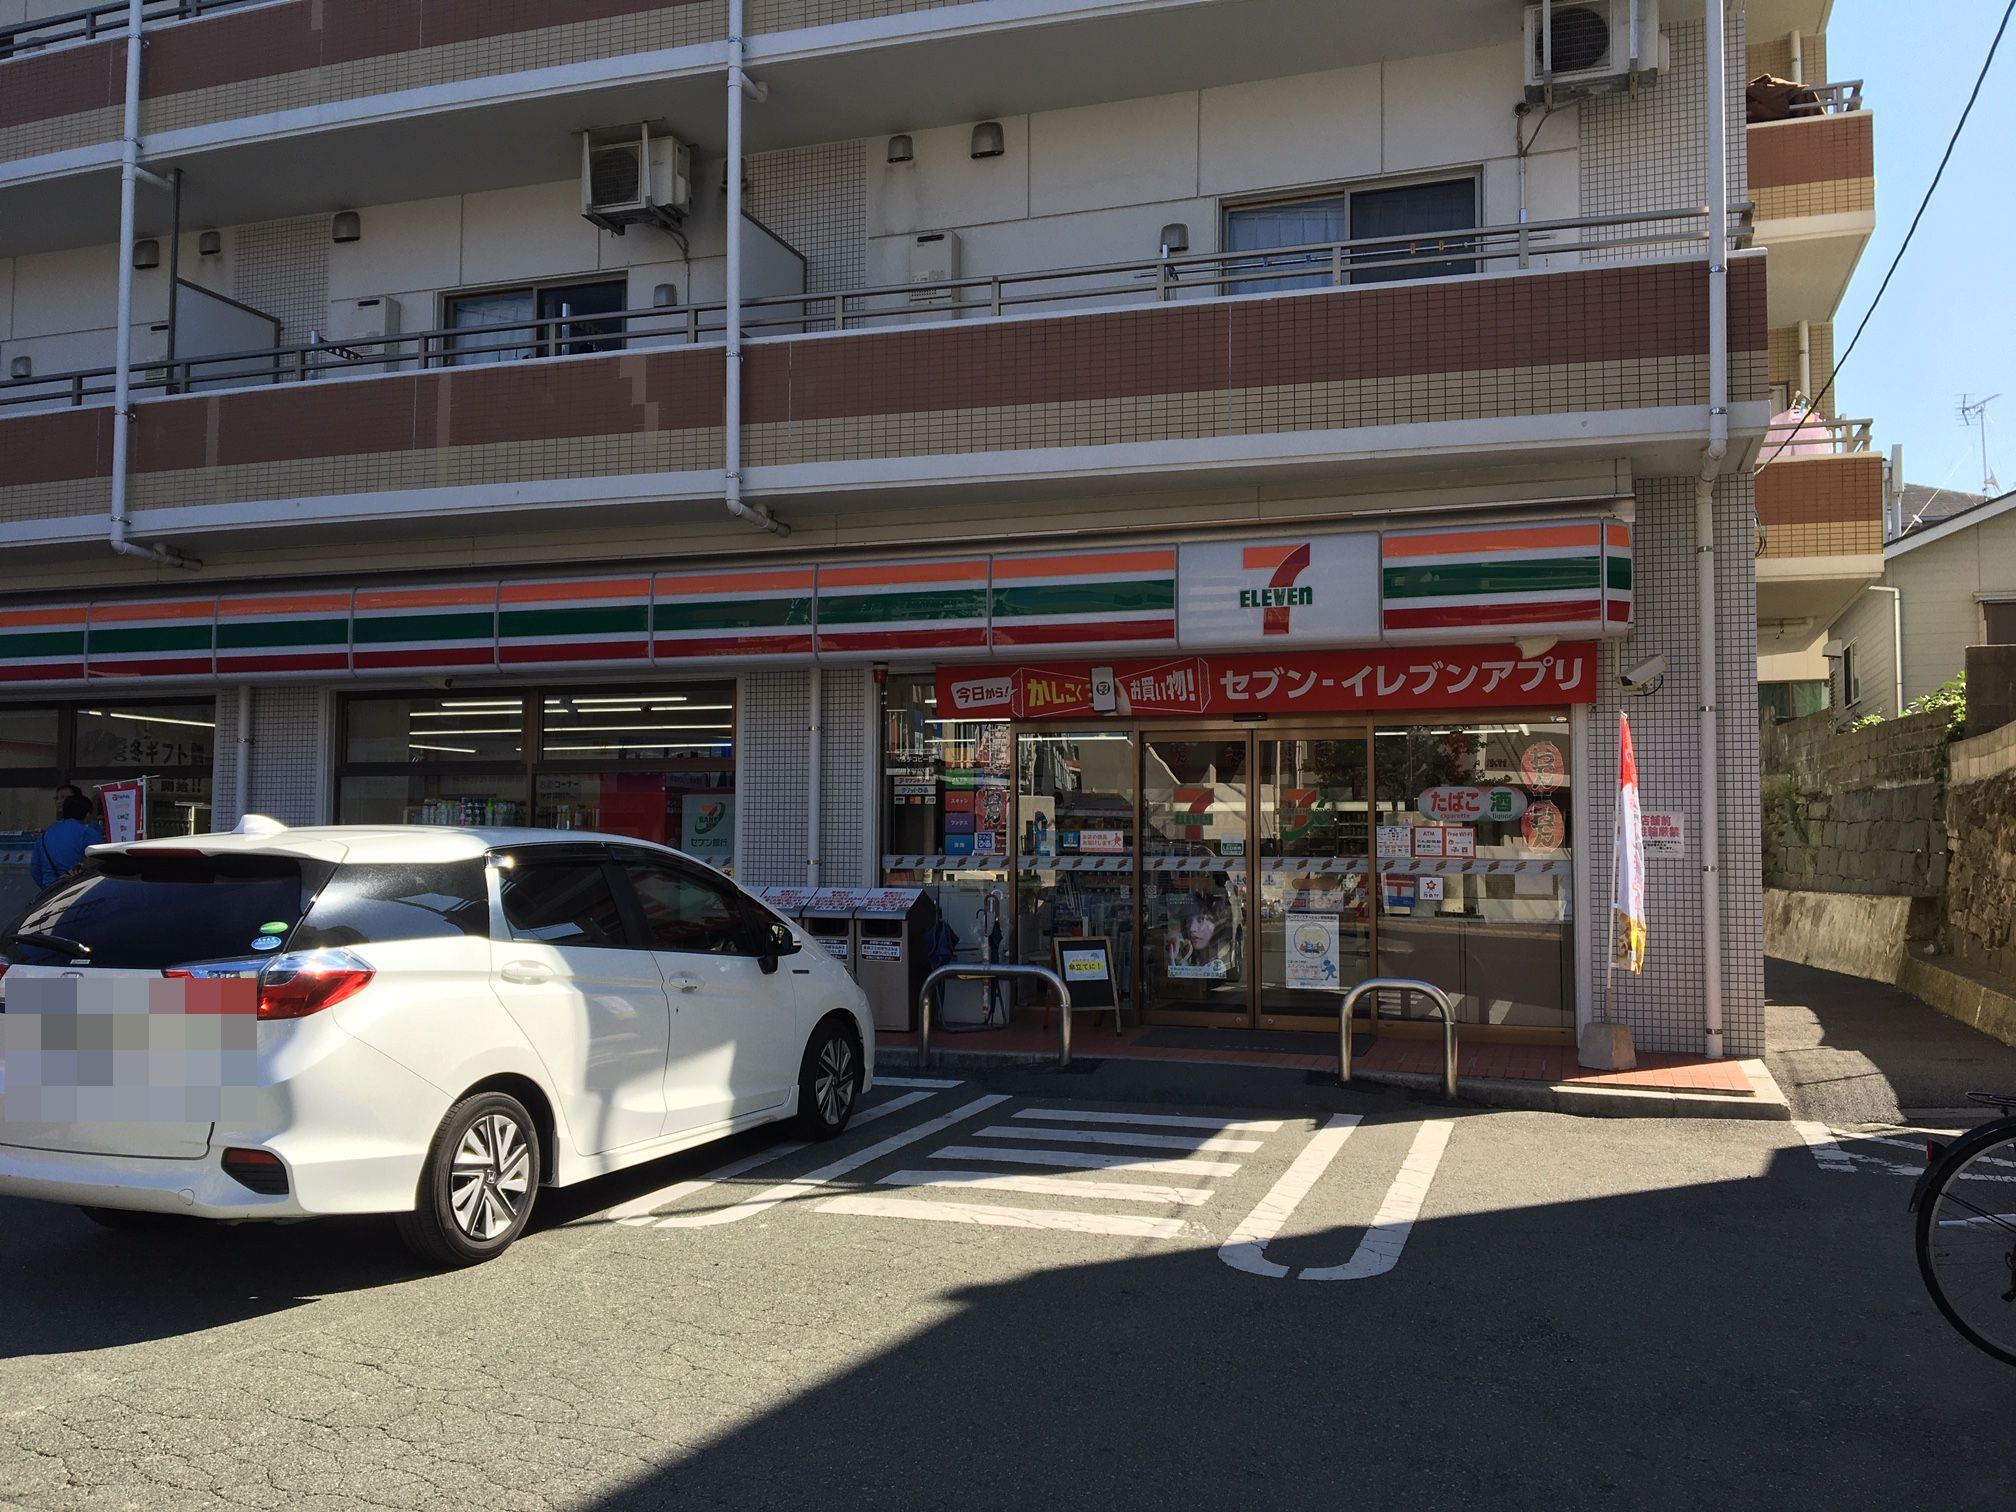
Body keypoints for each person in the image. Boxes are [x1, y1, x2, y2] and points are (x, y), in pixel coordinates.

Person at [32, 793, 103, 889]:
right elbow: (99, 866)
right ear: (87, 814)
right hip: (80, 889)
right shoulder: (88, 833)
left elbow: (35, 870)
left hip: (51, 890)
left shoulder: (45, 835)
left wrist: (49, 889)